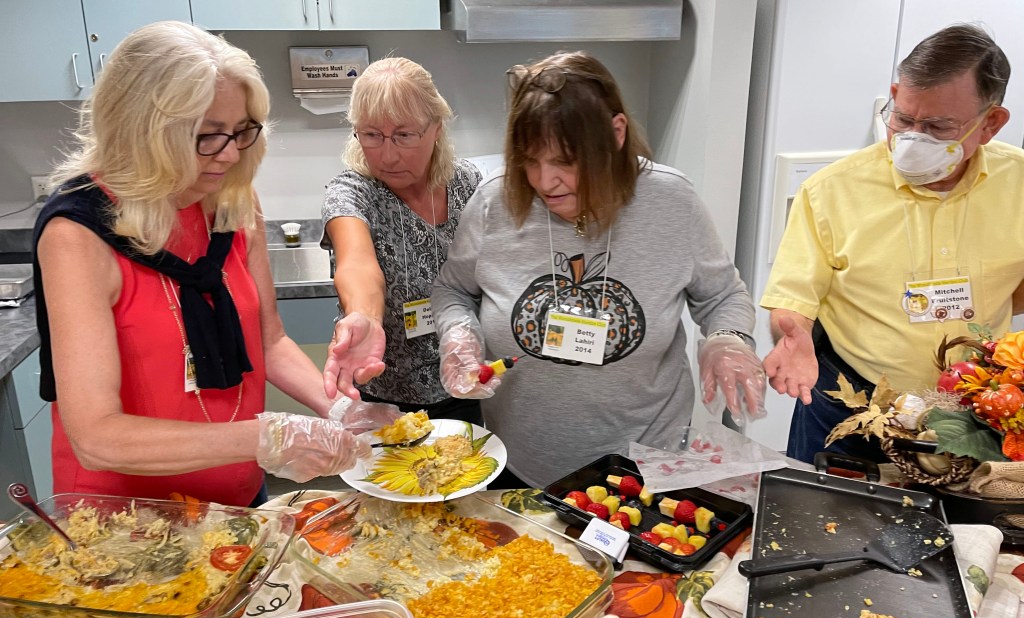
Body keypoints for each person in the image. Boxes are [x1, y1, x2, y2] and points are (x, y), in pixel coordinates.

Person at [32, 21, 381, 508]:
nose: (232, 153)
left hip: (236, 498)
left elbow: (270, 342)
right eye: (208, 135)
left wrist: (342, 411)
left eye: (241, 131)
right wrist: (266, 438)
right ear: (139, 131)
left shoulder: (233, 202)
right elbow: (96, 436)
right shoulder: (78, 234)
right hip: (127, 518)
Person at [431, 51, 766, 488]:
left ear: (616, 134)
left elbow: (722, 296)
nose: (544, 181)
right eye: (530, 160)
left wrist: (728, 339)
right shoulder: (496, 200)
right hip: (519, 462)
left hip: (644, 462)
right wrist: (458, 333)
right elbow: (454, 290)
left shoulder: (671, 201)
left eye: (565, 161)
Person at [761, 23, 1024, 463]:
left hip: (977, 414)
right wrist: (795, 337)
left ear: (990, 123)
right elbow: (793, 301)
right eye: (902, 118)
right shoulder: (831, 191)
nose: (912, 138)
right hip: (851, 407)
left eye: (938, 126)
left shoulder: (1018, 182)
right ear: (895, 95)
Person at [320, 57, 483, 425]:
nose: (388, 155)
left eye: (404, 135)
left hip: (464, 386)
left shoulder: (468, 184)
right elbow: (357, 265)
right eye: (371, 135)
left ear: (436, 128)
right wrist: (363, 317)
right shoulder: (352, 193)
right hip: (382, 398)